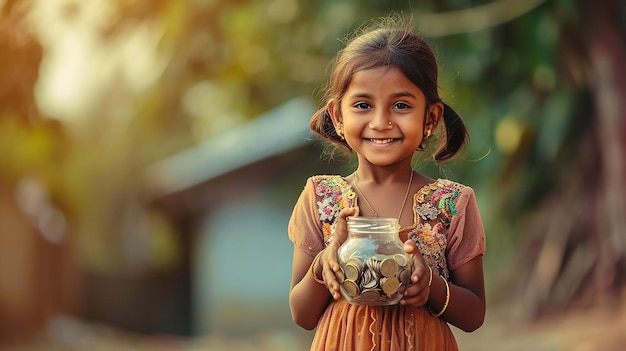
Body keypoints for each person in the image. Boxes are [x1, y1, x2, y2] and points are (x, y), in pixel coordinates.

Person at [288, 16, 486, 351]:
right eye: (363, 105)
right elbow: (302, 315)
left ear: (430, 118)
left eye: (401, 105)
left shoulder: (452, 204)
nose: (381, 122)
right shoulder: (320, 198)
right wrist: (324, 265)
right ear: (338, 116)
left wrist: (432, 288)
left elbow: (474, 315)